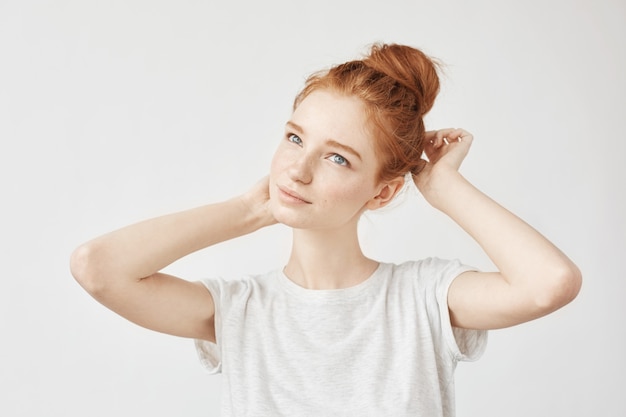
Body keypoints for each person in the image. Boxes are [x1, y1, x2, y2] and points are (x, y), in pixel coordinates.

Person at [70, 43, 581, 416]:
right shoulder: (240, 311)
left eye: (338, 157)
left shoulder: (423, 299)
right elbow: (98, 268)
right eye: (295, 138)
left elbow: (549, 283)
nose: (298, 169)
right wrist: (248, 211)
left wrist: (443, 185)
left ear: (382, 192)